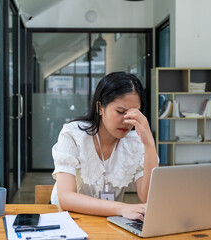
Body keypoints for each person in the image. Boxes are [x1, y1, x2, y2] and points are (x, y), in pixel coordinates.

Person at [50, 72, 159, 221]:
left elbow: (148, 197)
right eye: (120, 112)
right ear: (100, 107)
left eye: (134, 114)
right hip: (67, 218)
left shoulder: (135, 142)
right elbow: (66, 197)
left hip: (109, 220)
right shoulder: (73, 134)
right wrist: (122, 208)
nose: (127, 121)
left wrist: (149, 144)